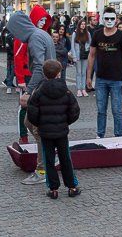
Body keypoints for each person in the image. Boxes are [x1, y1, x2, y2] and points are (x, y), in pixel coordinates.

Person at [8, 8, 56, 185]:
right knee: (31, 123)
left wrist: (29, 91)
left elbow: (39, 67)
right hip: (46, 86)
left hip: (43, 87)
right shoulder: (40, 35)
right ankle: (48, 158)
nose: (15, 36)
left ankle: (43, 168)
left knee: (37, 128)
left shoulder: (35, 38)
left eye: (14, 32)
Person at [26, 60, 82, 199]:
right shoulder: (66, 91)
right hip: (62, 131)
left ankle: (53, 189)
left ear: (44, 74)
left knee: (49, 160)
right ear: (59, 74)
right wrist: (65, 122)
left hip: (45, 132)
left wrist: (39, 123)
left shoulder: (38, 92)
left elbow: (32, 112)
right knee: (65, 159)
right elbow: (74, 110)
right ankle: (72, 186)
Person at [86, 7, 122, 138]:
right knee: (101, 110)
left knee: (117, 110)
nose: (110, 21)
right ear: (102, 19)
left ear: (116, 20)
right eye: (107, 18)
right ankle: (100, 135)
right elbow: (91, 55)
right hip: (100, 79)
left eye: (112, 18)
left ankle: (118, 135)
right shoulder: (97, 34)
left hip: (117, 79)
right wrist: (88, 77)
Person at [69, 19, 90, 97]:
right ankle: (78, 89)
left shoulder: (87, 33)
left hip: (85, 55)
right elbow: (72, 46)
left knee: (84, 73)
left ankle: (83, 89)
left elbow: (89, 43)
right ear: (79, 25)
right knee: (78, 73)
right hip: (78, 55)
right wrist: (74, 56)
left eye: (84, 24)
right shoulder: (75, 33)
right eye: (81, 24)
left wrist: (88, 50)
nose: (83, 26)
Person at [0, 27, 17, 94]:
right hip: (11, 57)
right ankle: (9, 86)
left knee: (18, 72)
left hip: (17, 56)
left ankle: (17, 87)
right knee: (11, 72)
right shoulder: (9, 36)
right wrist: (15, 53)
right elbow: (8, 48)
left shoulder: (20, 35)